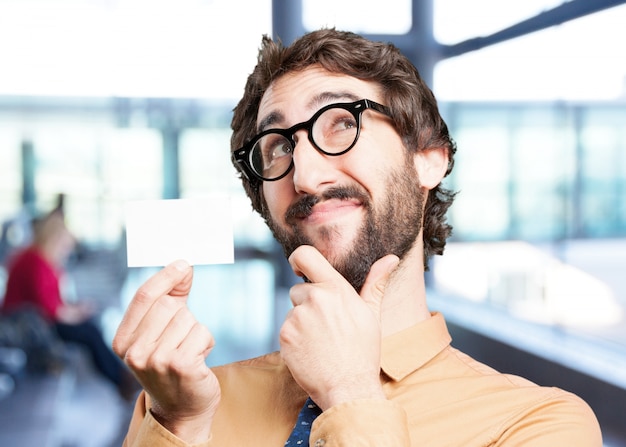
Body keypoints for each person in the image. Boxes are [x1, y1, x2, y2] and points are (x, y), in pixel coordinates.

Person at [113, 29, 602, 446]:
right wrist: (181, 423)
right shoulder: (182, 408)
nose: (304, 175)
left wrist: (351, 395)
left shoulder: (538, 424)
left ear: (428, 157)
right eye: (279, 146)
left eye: (342, 122)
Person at [2, 205, 138, 400]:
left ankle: (121, 379)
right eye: (65, 245)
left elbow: (53, 303)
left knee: (90, 327)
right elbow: (50, 310)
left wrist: (76, 309)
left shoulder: (42, 260)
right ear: (54, 239)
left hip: (37, 320)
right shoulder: (34, 261)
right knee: (89, 332)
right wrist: (76, 313)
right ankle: (121, 380)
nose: (67, 251)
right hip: (25, 325)